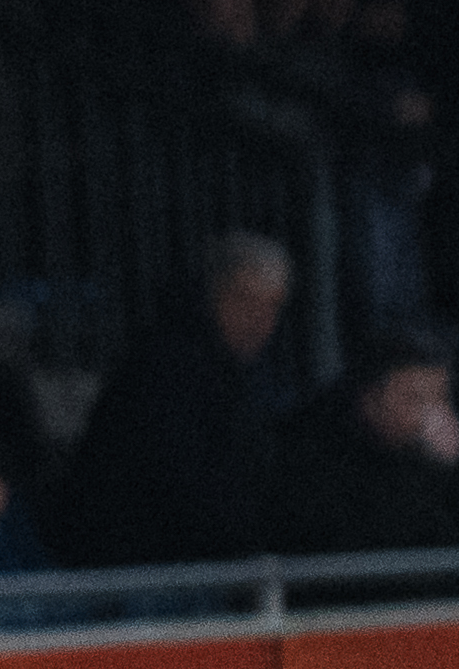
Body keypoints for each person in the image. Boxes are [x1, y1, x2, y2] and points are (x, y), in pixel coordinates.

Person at [56, 230, 292, 570]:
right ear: (213, 293)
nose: (260, 321)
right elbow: (178, 483)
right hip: (143, 571)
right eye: (245, 300)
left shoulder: (252, 375)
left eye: (272, 306)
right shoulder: (165, 367)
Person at [271, 325, 459, 559]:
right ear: (370, 398)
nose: (431, 415)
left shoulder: (448, 450)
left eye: (439, 399)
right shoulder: (311, 447)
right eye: (414, 399)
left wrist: (457, 468)